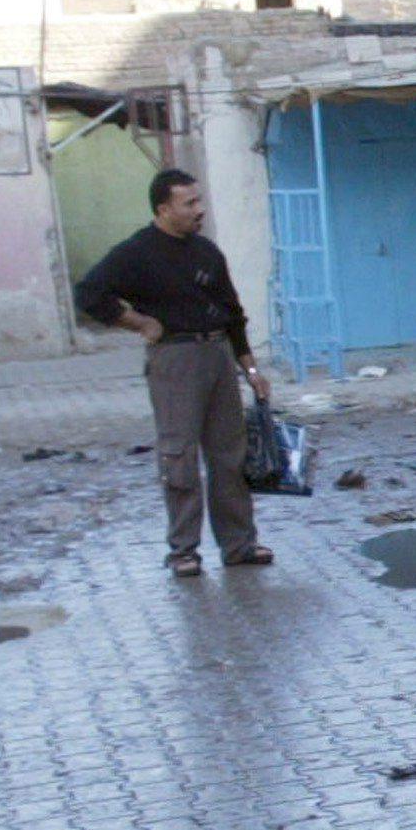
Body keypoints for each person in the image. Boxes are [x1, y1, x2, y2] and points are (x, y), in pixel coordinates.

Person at [75, 169, 273, 577]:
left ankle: (239, 544)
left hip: (217, 353)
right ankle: (183, 550)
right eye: (190, 204)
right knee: (179, 454)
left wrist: (250, 367)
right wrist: (139, 323)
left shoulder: (206, 252)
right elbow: (89, 294)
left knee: (230, 456)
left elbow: (234, 313)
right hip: (174, 358)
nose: (199, 210)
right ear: (164, 209)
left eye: (199, 201)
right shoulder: (135, 253)